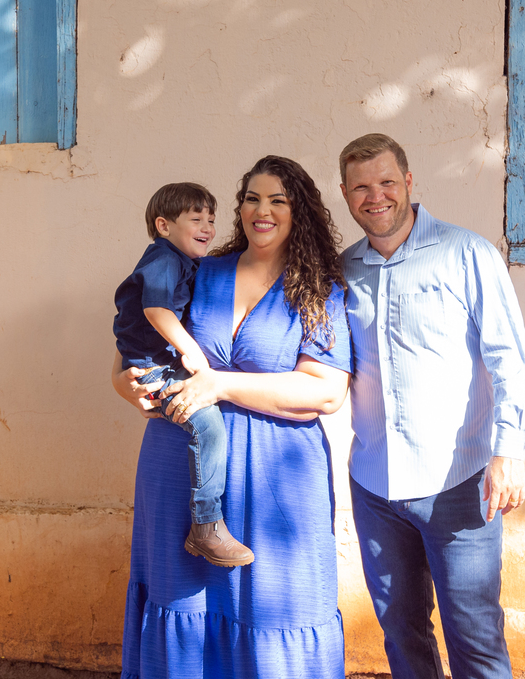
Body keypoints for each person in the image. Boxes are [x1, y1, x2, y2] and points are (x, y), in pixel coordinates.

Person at [111, 155, 352, 679]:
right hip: (180, 463)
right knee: (183, 598)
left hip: (277, 476)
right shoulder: (199, 270)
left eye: (278, 201)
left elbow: (327, 392)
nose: (262, 211)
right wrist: (126, 383)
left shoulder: (319, 290)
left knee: (279, 603)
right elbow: (136, 342)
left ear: (299, 211)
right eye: (251, 199)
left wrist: (219, 384)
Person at [337, 133, 525, 679]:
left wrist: (509, 452)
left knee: (474, 640)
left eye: (386, 182)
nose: (375, 197)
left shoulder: (466, 253)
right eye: (360, 188)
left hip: (459, 483)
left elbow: (510, 360)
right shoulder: (344, 270)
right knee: (403, 637)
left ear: (408, 181)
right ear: (346, 194)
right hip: (375, 486)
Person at [111, 182, 254, 568]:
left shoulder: (185, 262)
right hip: (155, 367)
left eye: (211, 219)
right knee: (208, 427)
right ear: (164, 226)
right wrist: (192, 351)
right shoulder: (163, 259)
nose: (207, 227)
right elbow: (156, 310)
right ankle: (206, 525)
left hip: (157, 362)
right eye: (196, 219)